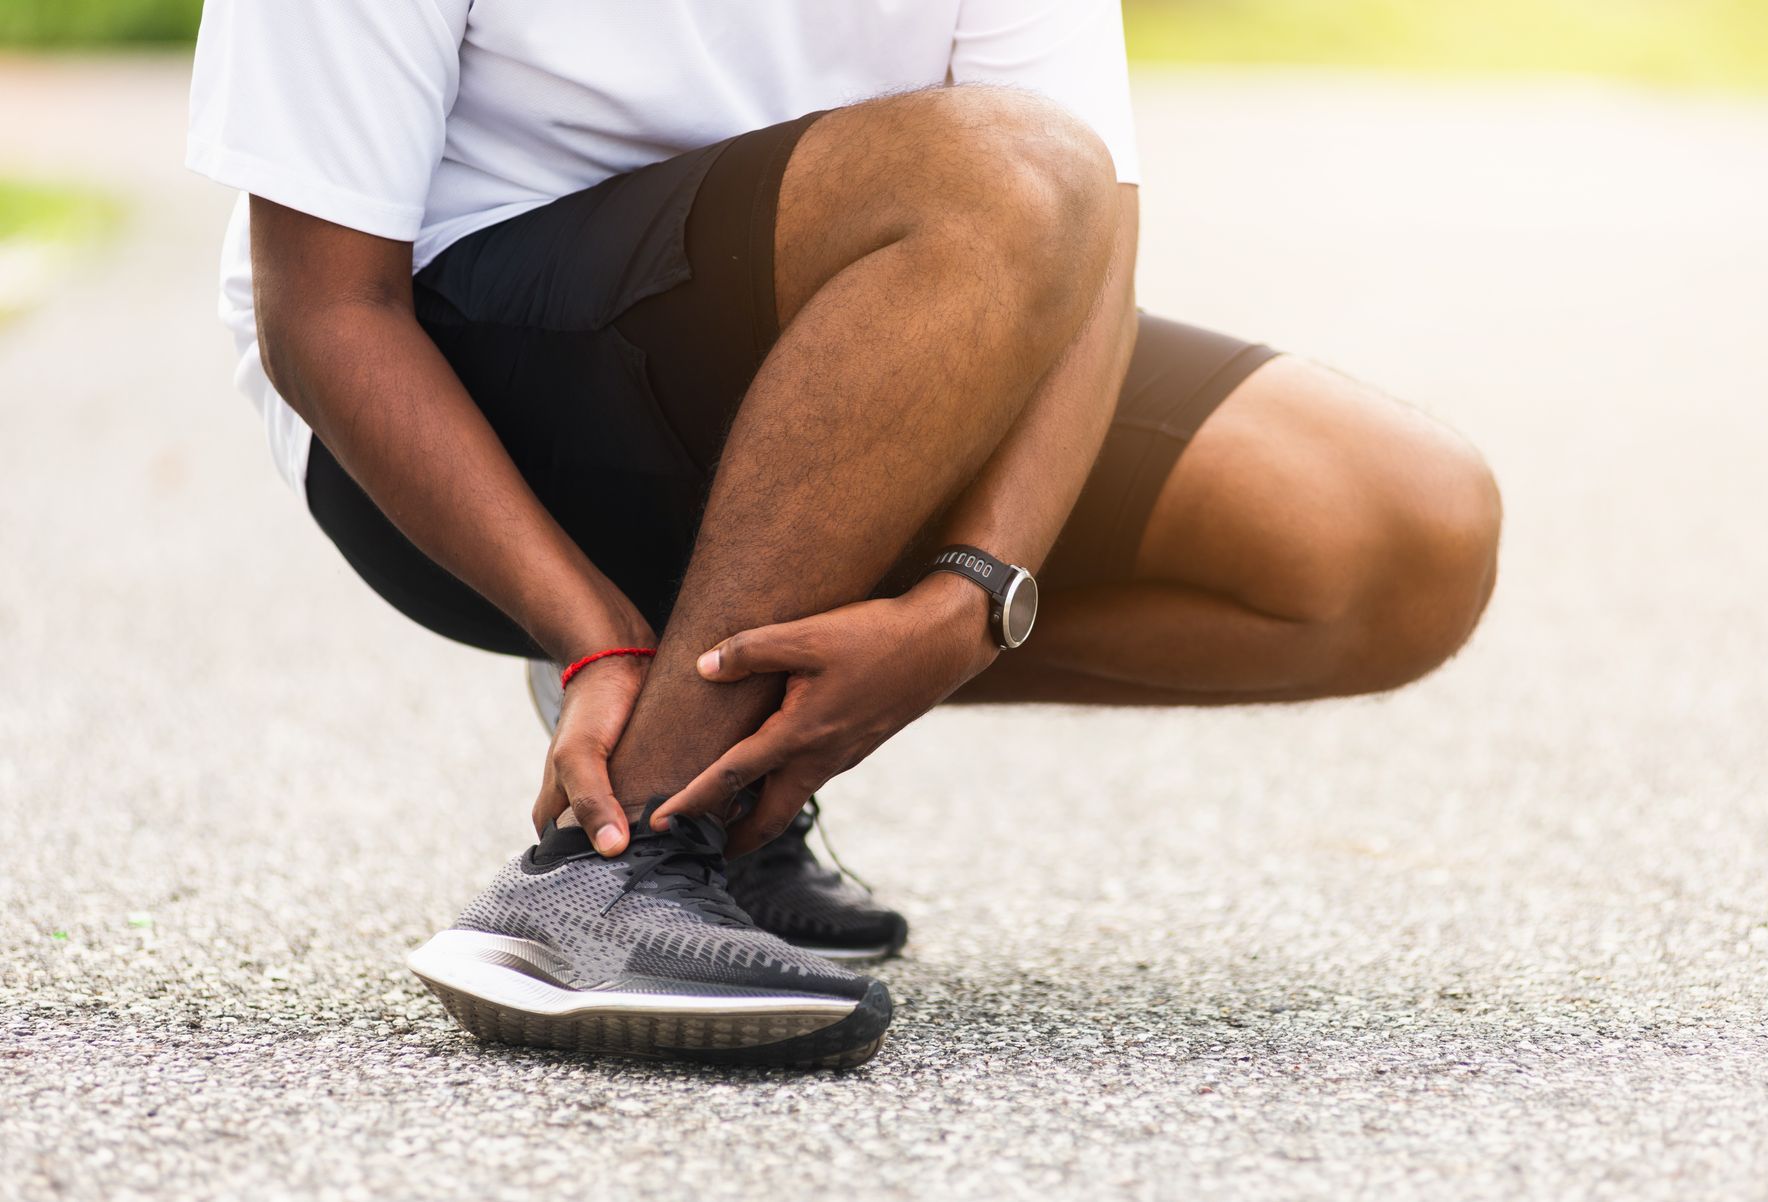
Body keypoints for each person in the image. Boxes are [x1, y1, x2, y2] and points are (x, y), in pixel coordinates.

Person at [186, 0, 1500, 1069]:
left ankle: (720, 770)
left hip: (881, 348)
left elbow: (1095, 238)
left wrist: (973, 600)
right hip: (471, 408)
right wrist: (586, 635)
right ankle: (613, 863)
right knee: (1009, 170)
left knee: (1397, 530)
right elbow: (328, 311)